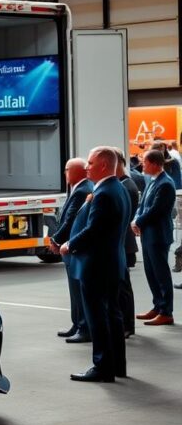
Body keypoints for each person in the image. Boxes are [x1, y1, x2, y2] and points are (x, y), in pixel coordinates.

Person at [61, 147, 130, 382]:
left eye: (90, 163)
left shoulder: (104, 193)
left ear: (102, 165)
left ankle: (102, 367)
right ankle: (117, 364)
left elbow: (94, 230)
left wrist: (69, 245)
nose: (87, 167)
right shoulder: (118, 188)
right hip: (112, 263)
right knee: (113, 315)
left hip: (97, 265)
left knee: (98, 318)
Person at [49, 158, 94, 341]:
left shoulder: (83, 190)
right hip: (71, 247)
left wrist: (56, 239)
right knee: (74, 291)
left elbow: (71, 220)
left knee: (78, 290)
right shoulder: (79, 189)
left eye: (67, 169)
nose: (65, 173)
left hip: (73, 247)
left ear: (77, 171)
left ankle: (83, 327)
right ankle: (77, 324)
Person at [132, 149, 176, 326]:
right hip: (149, 234)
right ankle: (158, 306)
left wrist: (138, 222)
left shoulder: (165, 184)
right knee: (151, 273)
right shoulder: (152, 180)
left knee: (161, 274)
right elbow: (142, 204)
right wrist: (136, 219)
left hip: (158, 235)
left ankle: (166, 312)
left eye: (145, 161)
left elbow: (157, 210)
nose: (142, 164)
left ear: (156, 164)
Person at [113, 147, 139, 339]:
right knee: (121, 287)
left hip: (124, 244)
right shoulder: (124, 184)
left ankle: (127, 325)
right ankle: (125, 323)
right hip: (123, 243)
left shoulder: (126, 186)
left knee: (123, 289)